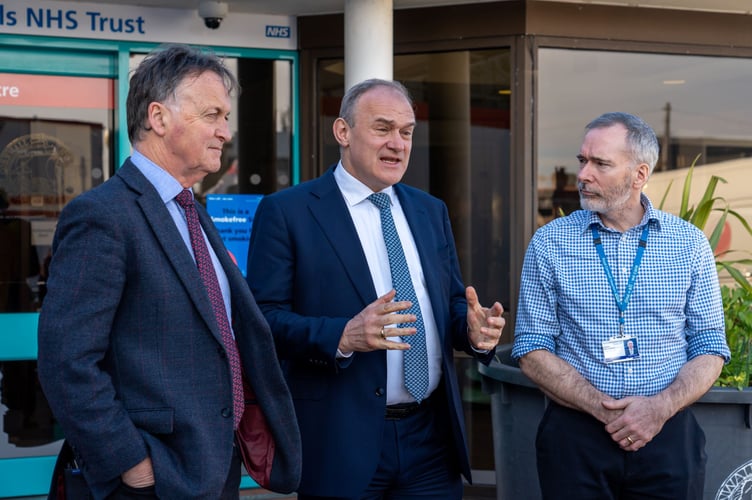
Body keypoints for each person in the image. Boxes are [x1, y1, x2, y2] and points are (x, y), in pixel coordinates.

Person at [37, 44, 300, 499]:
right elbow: (67, 361)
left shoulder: (192, 211)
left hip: (213, 467)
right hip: (151, 478)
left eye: (226, 117)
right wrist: (130, 462)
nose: (225, 131)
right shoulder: (103, 215)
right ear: (158, 118)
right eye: (212, 115)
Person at [246, 78, 505, 499]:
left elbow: (451, 304)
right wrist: (343, 336)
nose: (397, 144)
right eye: (382, 128)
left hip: (431, 441)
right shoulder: (287, 212)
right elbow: (262, 323)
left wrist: (472, 333)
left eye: (406, 132)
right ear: (343, 132)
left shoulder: (430, 210)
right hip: (341, 442)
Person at [512, 112, 730, 499]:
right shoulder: (550, 243)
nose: (583, 175)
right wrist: (604, 409)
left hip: (667, 436)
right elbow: (531, 347)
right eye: (582, 160)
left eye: (601, 163)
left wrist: (659, 408)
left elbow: (710, 345)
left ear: (639, 174)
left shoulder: (689, 244)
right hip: (575, 439)